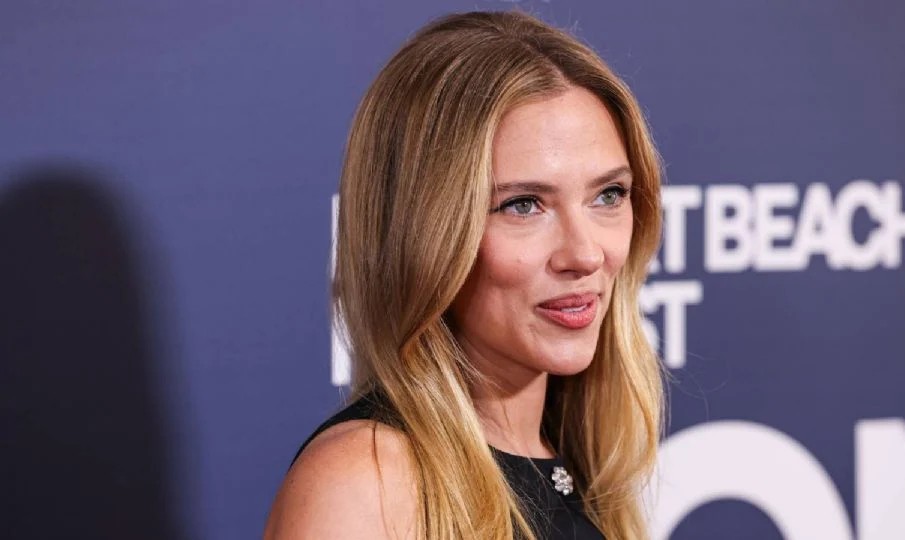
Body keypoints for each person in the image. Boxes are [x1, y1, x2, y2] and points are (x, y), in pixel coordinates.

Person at [264, 10, 664, 540]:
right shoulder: (367, 484)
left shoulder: (580, 463)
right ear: (422, 233)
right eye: (523, 205)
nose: (586, 254)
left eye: (608, 195)